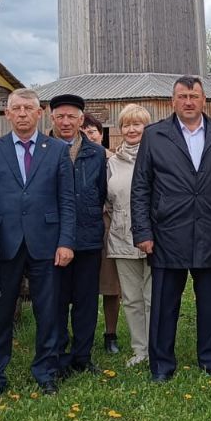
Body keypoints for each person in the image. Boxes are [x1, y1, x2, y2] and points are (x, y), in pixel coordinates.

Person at [131, 76, 211, 382]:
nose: (189, 102)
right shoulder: (155, 135)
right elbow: (141, 186)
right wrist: (142, 232)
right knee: (165, 305)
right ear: (173, 101)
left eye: (194, 96)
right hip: (168, 233)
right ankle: (162, 366)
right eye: (182, 96)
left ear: (204, 100)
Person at [0, 89, 76, 400]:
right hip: (5, 244)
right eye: (15, 109)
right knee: (0, 312)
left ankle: (46, 371)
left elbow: (66, 200)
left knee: (48, 311)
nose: (21, 114)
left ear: (39, 113)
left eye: (27, 109)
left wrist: (66, 241)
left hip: (47, 242)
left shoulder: (57, 149)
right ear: (7, 115)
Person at [50, 94, 109, 377]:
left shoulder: (95, 152)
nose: (65, 122)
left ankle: (82, 355)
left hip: (88, 237)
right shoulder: (44, 150)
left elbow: (100, 192)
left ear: (81, 120)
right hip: (54, 239)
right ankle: (59, 355)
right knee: (57, 299)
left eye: (71, 117)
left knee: (86, 300)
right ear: (51, 119)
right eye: (60, 116)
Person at [105, 104, 152, 366]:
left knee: (153, 298)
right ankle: (140, 350)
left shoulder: (159, 157)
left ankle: (157, 346)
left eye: (137, 124)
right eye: (126, 125)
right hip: (122, 238)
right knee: (132, 299)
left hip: (156, 240)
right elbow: (109, 203)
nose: (131, 129)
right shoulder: (112, 163)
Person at [82, 114, 123, 355]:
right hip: (83, 226)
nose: (90, 136)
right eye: (85, 132)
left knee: (110, 285)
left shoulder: (112, 160)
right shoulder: (71, 157)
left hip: (108, 224)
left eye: (93, 131)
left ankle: (110, 333)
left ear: (100, 133)